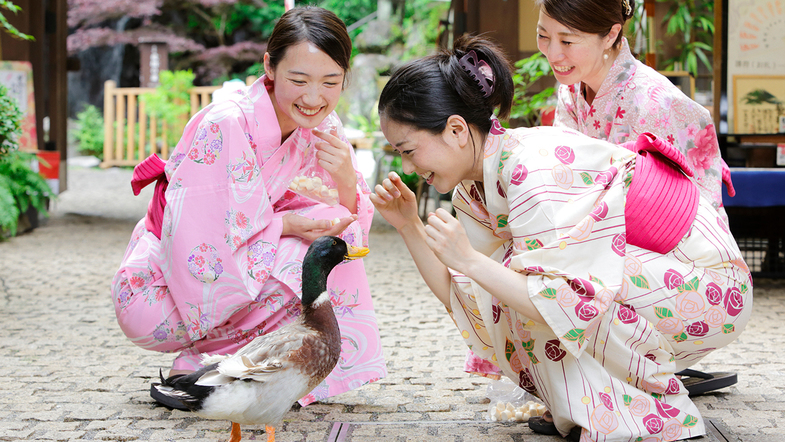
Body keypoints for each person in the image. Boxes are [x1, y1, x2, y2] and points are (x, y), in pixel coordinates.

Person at [371, 35, 751, 441]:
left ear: (457, 130)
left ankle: (641, 409)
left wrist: (469, 260)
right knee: (503, 288)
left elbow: (567, 301)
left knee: (542, 284)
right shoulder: (476, 186)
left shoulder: (531, 170)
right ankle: (591, 404)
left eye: (409, 150)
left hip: (710, 287)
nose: (409, 166)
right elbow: (465, 299)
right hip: (660, 278)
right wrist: (408, 225)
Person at [111, 6, 386, 408]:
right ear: (269, 68)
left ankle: (238, 371)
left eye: (330, 81)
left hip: (224, 288)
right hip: (158, 294)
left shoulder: (323, 129)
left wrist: (346, 177)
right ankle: (208, 365)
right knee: (301, 253)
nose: (314, 98)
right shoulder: (226, 124)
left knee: (333, 252)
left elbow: (350, 233)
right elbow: (198, 247)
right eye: (298, 79)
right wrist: (286, 224)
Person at [533, 0, 741, 399]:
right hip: (621, 245)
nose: (553, 53)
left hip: (690, 271)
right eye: (544, 35)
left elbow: (679, 222)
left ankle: (621, 375)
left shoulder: (656, 103)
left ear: (611, 34)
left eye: (567, 40)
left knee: (555, 263)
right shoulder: (574, 92)